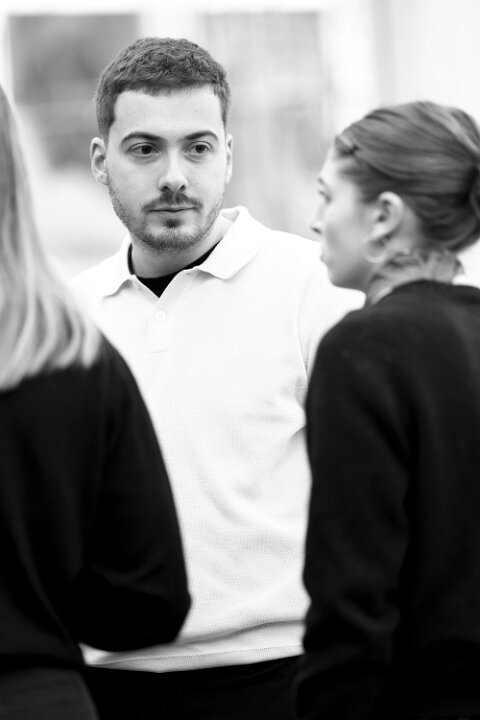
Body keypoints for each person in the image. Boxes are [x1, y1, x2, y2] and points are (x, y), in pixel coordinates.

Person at [72, 36, 360, 720]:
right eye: (145, 149)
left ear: (228, 153)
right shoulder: (68, 317)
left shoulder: (316, 289)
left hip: (280, 675)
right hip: (106, 683)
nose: (175, 176)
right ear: (101, 160)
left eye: (198, 148)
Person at [0, 84, 190, 720]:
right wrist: (35, 605)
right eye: (144, 148)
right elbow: (151, 598)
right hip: (38, 693)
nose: (172, 177)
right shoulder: (74, 354)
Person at [294, 100, 480, 720]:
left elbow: (352, 597)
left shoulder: (362, 350)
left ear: (384, 216)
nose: (315, 220)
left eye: (327, 196)